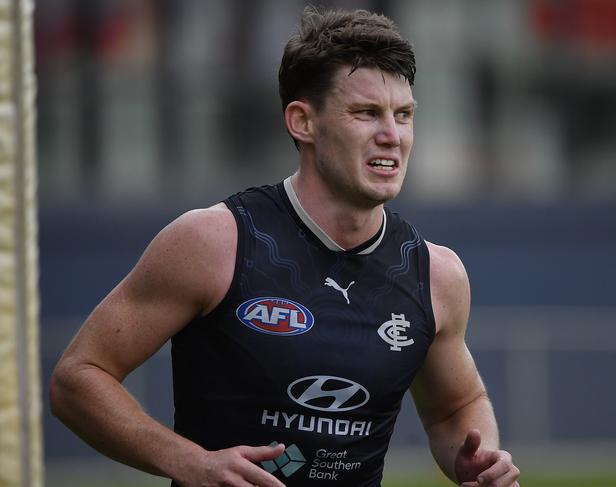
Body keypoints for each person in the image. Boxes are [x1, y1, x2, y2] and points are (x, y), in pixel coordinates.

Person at [50, 6, 520, 487]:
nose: (392, 136)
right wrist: (188, 461)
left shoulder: (435, 274)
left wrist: (478, 457)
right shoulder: (214, 242)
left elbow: (455, 409)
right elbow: (79, 378)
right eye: (366, 113)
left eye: (404, 115)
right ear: (302, 122)